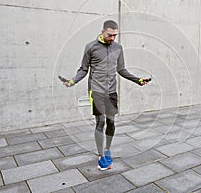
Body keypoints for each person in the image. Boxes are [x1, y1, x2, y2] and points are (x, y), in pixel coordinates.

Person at [63, 20, 150, 170]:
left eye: (115, 35)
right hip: (96, 90)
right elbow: (83, 69)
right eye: (110, 35)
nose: (112, 38)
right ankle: (100, 155)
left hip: (111, 91)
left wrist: (138, 80)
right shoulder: (90, 47)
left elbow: (122, 70)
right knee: (101, 121)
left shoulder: (118, 47)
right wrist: (73, 81)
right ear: (102, 31)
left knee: (111, 122)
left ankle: (108, 149)